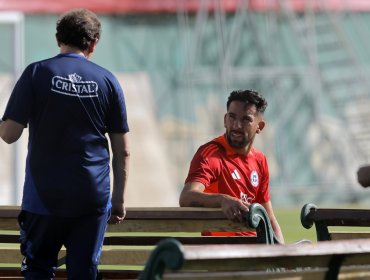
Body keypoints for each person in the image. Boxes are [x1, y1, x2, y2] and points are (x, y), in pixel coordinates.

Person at [0, 8, 130, 279]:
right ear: (93, 44)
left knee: (38, 270)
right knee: (84, 272)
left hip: (43, 198)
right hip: (91, 198)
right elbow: (123, 150)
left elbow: (9, 134)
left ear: (58, 38)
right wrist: (117, 200)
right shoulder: (108, 81)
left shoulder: (36, 73)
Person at [179, 89, 284, 243]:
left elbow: (270, 218)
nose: (236, 125)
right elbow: (186, 198)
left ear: (259, 126)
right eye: (232, 117)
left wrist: (284, 254)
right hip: (223, 256)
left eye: (246, 120)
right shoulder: (210, 154)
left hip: (257, 254)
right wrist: (223, 200)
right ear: (225, 119)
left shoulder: (260, 160)